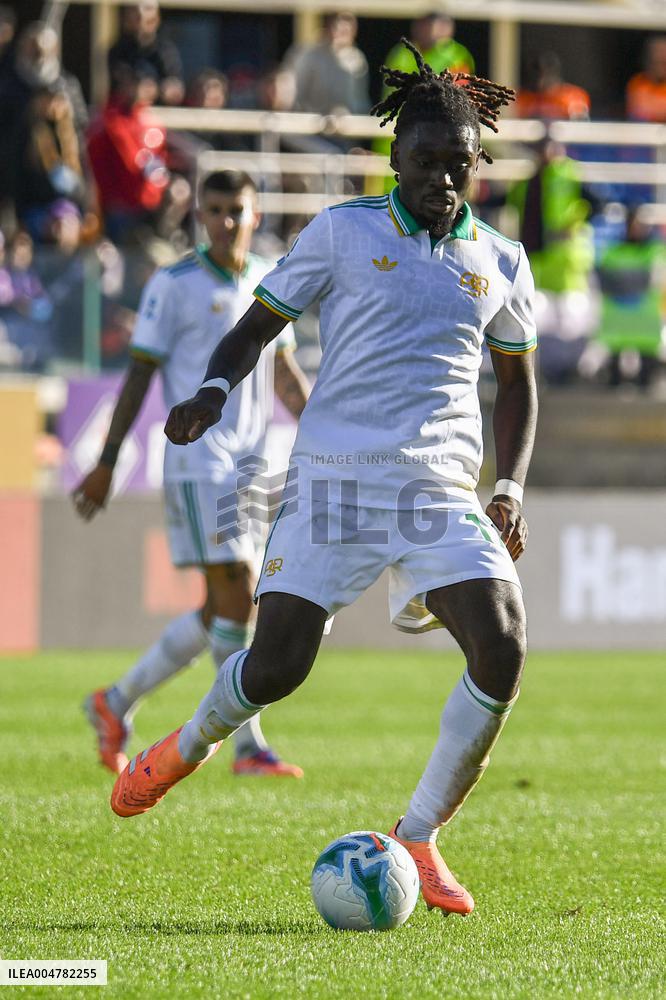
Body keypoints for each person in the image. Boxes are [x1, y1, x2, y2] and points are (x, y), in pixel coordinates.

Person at [111, 42, 538, 919]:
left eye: (459, 167)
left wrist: (511, 488)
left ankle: (418, 833)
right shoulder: (342, 233)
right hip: (334, 482)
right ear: (396, 158)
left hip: (436, 492)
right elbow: (258, 323)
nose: (443, 182)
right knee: (274, 670)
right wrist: (212, 390)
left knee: (501, 646)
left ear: (475, 166)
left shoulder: (501, 258)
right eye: (427, 163)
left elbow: (519, 384)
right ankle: (185, 746)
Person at [74, 170, 310, 779]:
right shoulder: (173, 285)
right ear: (199, 216)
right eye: (216, 210)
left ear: (256, 213)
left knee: (223, 608)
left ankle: (115, 701)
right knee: (242, 586)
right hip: (198, 458)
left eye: (238, 209)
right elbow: (140, 373)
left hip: (252, 464)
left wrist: (324, 433)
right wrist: (105, 462)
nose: (227, 221)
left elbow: (284, 375)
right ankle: (248, 746)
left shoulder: (269, 278)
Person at [291, 12, 370, 117]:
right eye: (338, 28)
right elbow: (298, 96)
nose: (341, 33)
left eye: (346, 31)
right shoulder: (311, 56)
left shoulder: (357, 59)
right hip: (313, 123)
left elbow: (360, 100)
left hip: (347, 125)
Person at [108, 1, 184, 107]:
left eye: (148, 11)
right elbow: (121, 84)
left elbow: (174, 88)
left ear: (156, 19)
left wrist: (159, 90)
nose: (141, 16)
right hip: (126, 115)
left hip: (160, 116)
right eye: (136, 16)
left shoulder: (166, 50)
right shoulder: (118, 50)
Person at [516, 52, 590, 121]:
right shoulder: (525, 98)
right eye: (539, 75)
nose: (543, 80)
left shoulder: (574, 96)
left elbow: (579, 124)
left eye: (549, 74)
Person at [626, 35, 666, 123]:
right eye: (657, 61)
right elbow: (641, 111)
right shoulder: (639, 82)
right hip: (645, 134)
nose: (661, 57)